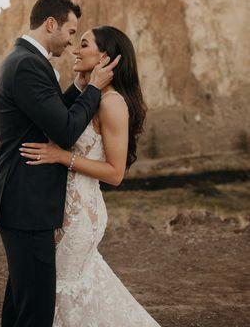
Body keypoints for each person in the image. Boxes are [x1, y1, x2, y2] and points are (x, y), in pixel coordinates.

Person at [0, 0, 120, 327]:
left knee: (21, 300)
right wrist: (94, 88)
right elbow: (63, 130)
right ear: (51, 24)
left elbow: (48, 113)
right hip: (26, 202)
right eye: (71, 32)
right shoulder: (29, 64)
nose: (72, 42)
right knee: (36, 311)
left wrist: (78, 88)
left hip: (22, 201)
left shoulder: (23, 59)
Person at [20, 26, 161, 326]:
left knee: (62, 291)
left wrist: (61, 157)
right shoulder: (91, 96)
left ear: (104, 57)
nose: (75, 49)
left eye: (84, 44)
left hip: (79, 216)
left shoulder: (112, 103)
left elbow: (115, 173)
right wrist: (80, 85)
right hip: (61, 211)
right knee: (61, 291)